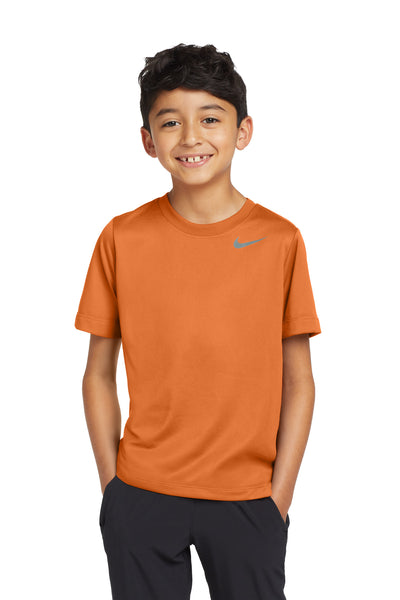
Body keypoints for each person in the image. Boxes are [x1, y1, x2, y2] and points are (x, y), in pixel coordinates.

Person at [75, 43, 321, 600]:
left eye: (210, 119)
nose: (190, 137)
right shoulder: (121, 238)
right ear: (148, 140)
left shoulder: (280, 240)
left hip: (248, 497)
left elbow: (299, 380)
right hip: (142, 492)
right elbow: (97, 374)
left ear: (243, 131)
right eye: (170, 122)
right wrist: (114, 488)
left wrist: (279, 498)